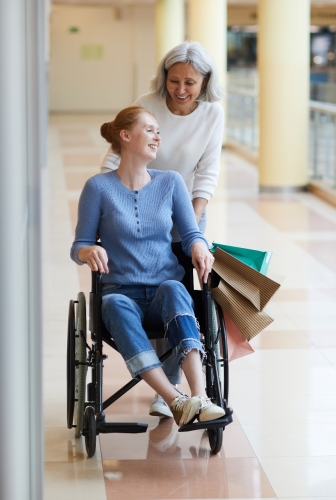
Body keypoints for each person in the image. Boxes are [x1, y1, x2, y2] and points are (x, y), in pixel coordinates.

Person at [71, 106, 225, 427]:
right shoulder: (98, 188)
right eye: (150, 130)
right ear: (126, 136)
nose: (158, 136)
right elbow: (79, 245)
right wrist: (87, 252)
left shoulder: (171, 182)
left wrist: (198, 244)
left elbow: (190, 233)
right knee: (113, 303)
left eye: (158, 130)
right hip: (120, 294)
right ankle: (174, 400)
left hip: (162, 293)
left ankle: (201, 397)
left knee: (174, 287)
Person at [100, 41, 224, 419]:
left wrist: (192, 223)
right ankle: (166, 386)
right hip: (137, 202)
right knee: (140, 285)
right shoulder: (147, 103)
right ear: (163, 78)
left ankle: (168, 392)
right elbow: (118, 150)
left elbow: (207, 170)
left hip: (183, 204)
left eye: (191, 82)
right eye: (174, 81)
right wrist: (110, 195)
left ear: (205, 82)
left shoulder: (212, 114)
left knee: (176, 291)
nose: (181, 90)